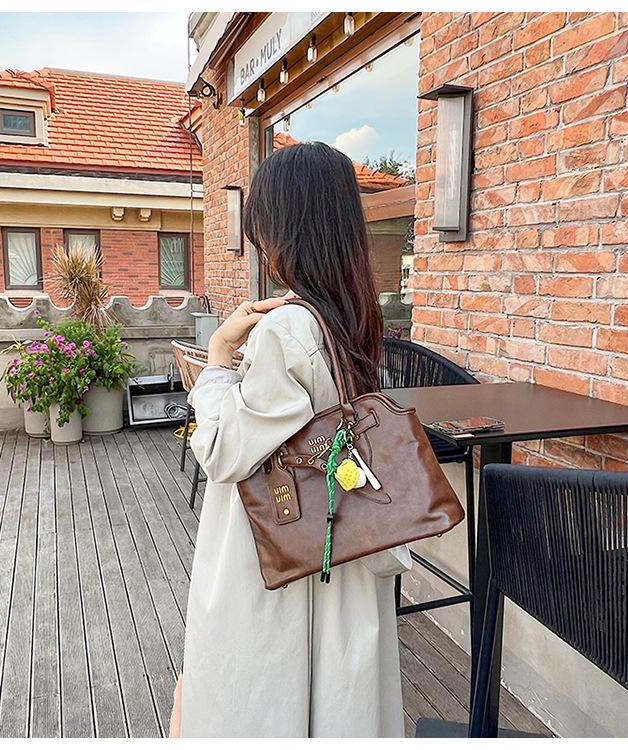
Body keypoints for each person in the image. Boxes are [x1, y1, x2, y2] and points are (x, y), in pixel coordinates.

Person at [171, 142, 411, 738]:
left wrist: (218, 361)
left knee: (263, 696)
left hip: (278, 548)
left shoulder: (285, 328)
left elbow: (224, 451)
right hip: (338, 535)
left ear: (283, 230)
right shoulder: (351, 316)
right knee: (337, 696)